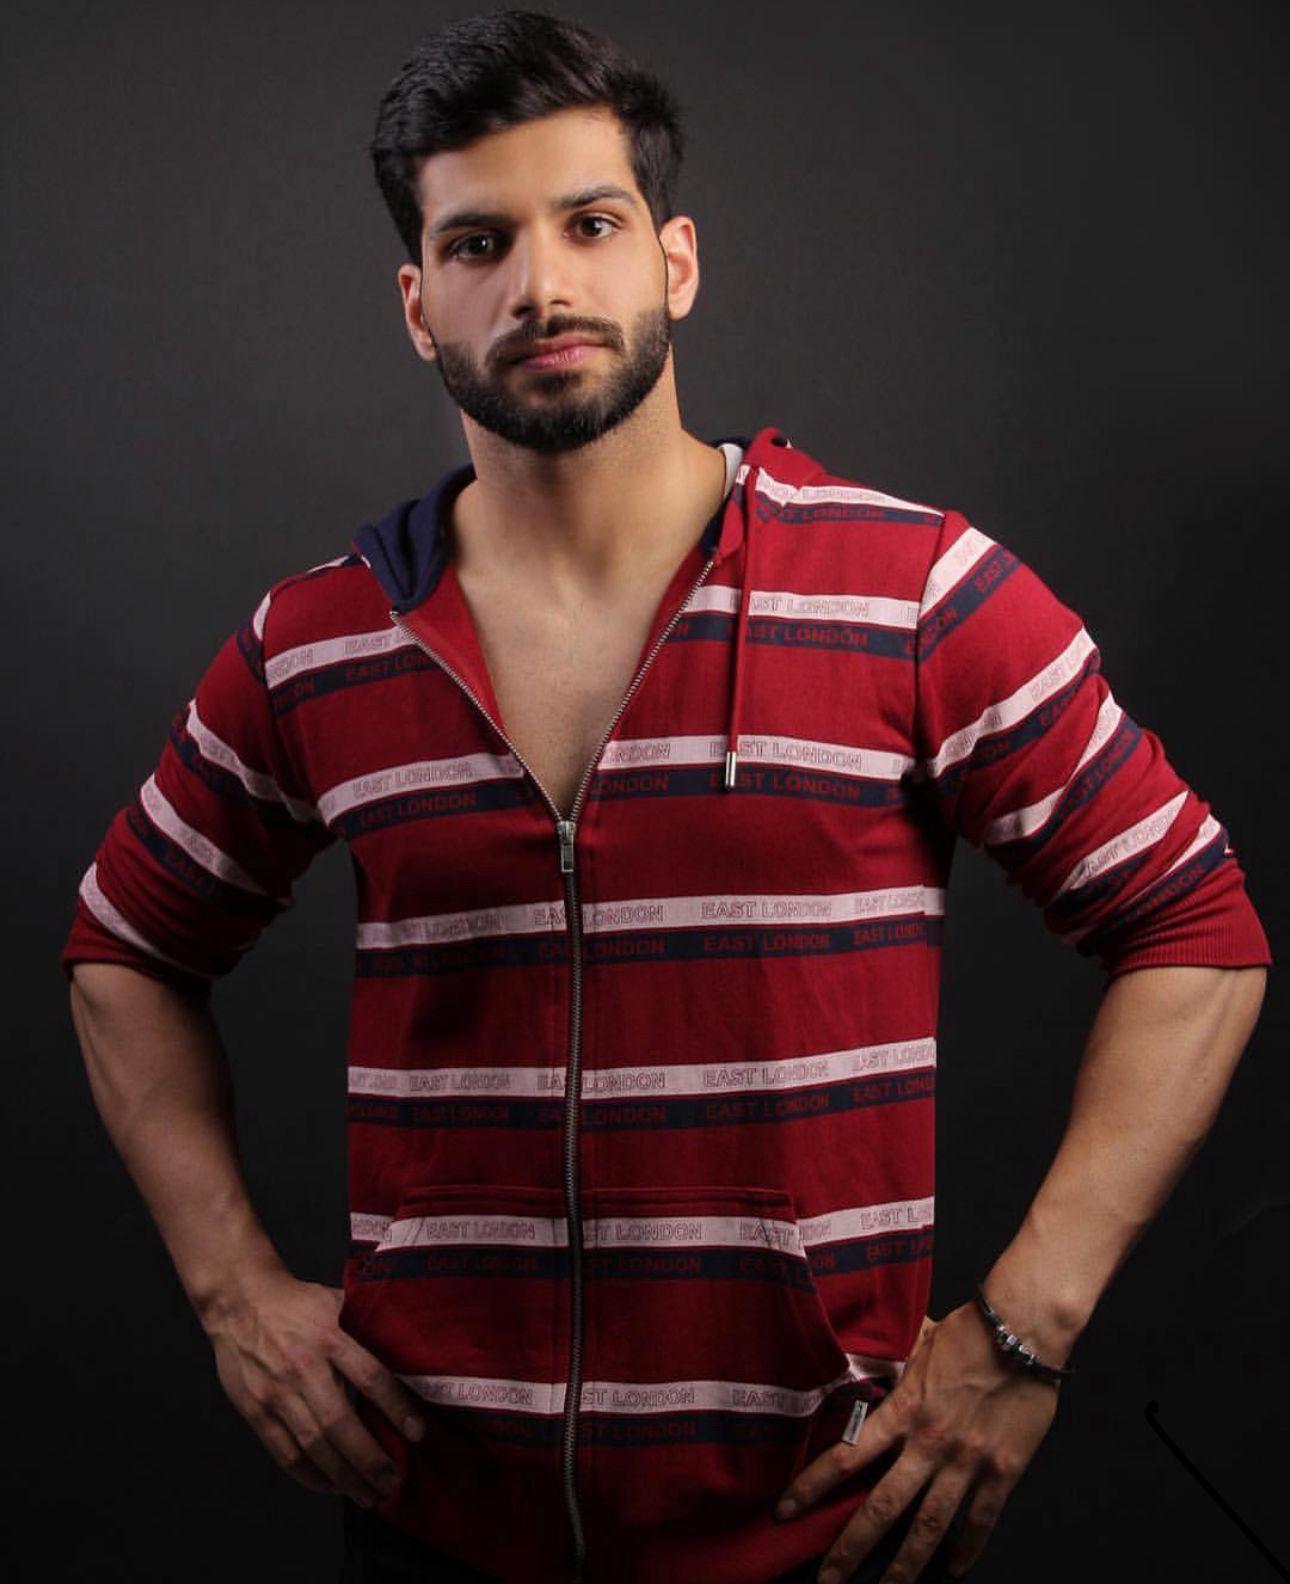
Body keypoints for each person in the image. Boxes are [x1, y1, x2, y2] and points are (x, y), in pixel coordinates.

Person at [62, 10, 1271, 1584]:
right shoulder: (320, 642)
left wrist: (1024, 1329)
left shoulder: (913, 593)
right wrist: (232, 1292)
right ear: (416, 304)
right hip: (435, 1527)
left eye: (591, 224)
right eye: (479, 243)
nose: (542, 287)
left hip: (820, 1531)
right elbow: (124, 949)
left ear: (674, 261)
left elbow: (1195, 927)